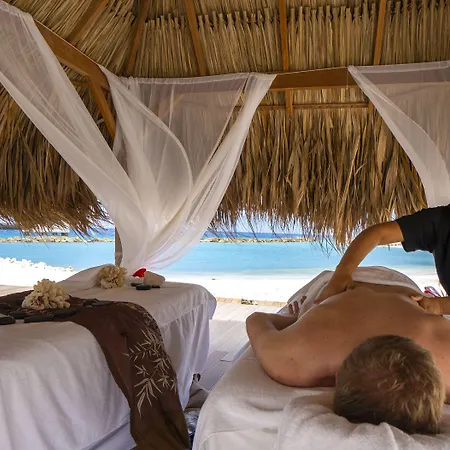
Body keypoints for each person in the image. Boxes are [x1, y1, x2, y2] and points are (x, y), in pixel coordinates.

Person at [245, 268, 450, 435]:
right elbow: (257, 320)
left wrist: (297, 319)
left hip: (390, 289)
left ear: (337, 378)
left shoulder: (294, 357)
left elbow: (256, 319)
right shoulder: (291, 359)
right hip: (345, 284)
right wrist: (298, 321)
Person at [316, 205, 450, 305]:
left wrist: (438, 306)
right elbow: (378, 234)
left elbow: (437, 306)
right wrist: (342, 273)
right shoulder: (441, 220)